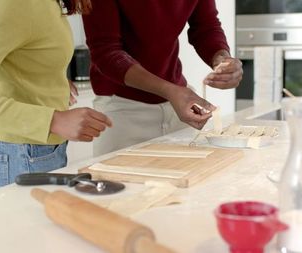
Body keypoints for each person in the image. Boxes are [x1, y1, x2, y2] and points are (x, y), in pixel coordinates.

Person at [0, 0, 112, 194]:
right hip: (18, 157)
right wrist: (53, 120)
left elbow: (28, 51)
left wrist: (51, 77)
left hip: (40, 152)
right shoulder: (7, 3)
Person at [82, 0, 243, 156]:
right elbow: (106, 52)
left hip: (177, 106)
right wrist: (170, 91)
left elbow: (206, 26)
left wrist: (222, 59)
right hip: (122, 109)